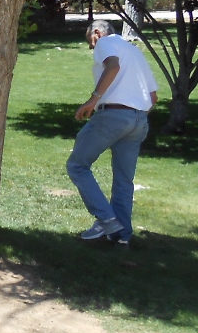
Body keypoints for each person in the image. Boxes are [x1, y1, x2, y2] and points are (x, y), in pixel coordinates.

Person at [67, 20, 158, 245]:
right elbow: (153, 97)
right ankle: (122, 236)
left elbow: (113, 66)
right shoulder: (134, 52)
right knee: (124, 180)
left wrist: (93, 99)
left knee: (77, 165)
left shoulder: (105, 43)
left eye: (91, 42)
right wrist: (135, 114)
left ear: (97, 33)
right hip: (139, 120)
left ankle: (106, 219)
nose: (92, 48)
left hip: (112, 115)